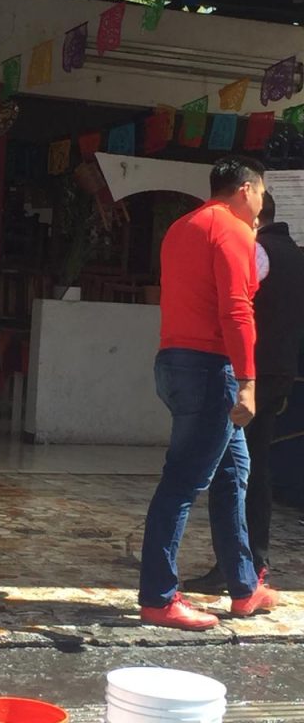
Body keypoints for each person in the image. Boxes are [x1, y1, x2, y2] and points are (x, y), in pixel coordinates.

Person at [138, 155, 279, 630]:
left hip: (174, 360)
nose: (262, 203)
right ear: (246, 189)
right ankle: (158, 597)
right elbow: (237, 311)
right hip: (210, 368)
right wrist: (247, 381)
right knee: (182, 483)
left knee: (233, 472)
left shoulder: (183, 227)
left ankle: (244, 587)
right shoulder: (233, 230)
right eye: (261, 192)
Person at [184, 191, 304, 593]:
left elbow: (237, 308)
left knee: (233, 471)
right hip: (281, 371)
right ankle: (253, 560)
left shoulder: (257, 251)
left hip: (250, 375)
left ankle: (238, 564)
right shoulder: (294, 253)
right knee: (256, 466)